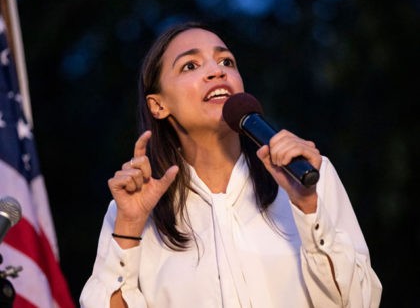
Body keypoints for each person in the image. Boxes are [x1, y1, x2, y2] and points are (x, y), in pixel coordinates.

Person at [80, 22, 382, 307]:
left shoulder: (307, 174)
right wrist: (129, 228)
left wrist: (307, 206)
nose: (216, 72)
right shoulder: (131, 212)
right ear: (158, 105)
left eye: (226, 62)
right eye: (191, 65)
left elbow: (359, 301)